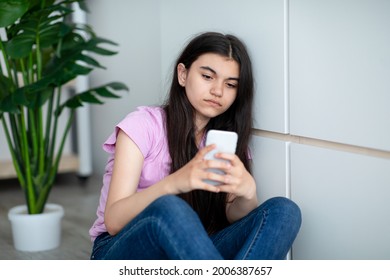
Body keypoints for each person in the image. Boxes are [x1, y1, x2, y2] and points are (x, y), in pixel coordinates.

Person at [89, 31, 301, 260]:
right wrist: (177, 182)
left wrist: (248, 194)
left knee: (284, 211)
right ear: (183, 74)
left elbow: (231, 215)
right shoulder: (143, 126)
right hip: (118, 250)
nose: (218, 91)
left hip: (192, 252)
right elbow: (113, 222)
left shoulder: (226, 140)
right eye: (208, 77)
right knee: (171, 208)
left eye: (230, 84)